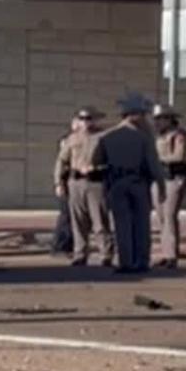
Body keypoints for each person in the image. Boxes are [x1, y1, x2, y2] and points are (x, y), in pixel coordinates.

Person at [93, 92, 167, 274]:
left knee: (122, 226)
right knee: (141, 224)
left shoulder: (106, 137)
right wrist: (161, 186)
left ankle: (125, 261)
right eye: (143, 114)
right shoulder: (144, 138)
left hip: (116, 184)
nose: (145, 118)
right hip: (138, 183)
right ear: (135, 115)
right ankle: (141, 261)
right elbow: (153, 164)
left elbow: (96, 162)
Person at [55, 107, 114, 267]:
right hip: (75, 182)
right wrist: (59, 182)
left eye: (89, 119)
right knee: (78, 221)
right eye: (82, 119)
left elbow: (112, 162)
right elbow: (62, 161)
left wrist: (96, 169)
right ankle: (80, 253)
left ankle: (105, 254)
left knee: (99, 220)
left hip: (96, 183)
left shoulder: (104, 137)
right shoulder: (72, 139)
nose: (86, 122)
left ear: (95, 120)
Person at [151, 104, 186, 269]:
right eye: (156, 119)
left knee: (169, 216)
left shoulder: (178, 135)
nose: (158, 122)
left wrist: (157, 159)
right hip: (158, 179)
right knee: (161, 218)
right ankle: (166, 253)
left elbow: (179, 156)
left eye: (161, 118)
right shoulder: (157, 136)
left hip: (173, 177)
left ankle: (172, 255)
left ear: (170, 119)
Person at [51, 117, 80, 256]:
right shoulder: (68, 140)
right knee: (66, 216)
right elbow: (61, 163)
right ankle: (59, 246)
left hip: (76, 183)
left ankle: (69, 245)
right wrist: (59, 183)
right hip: (67, 181)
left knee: (74, 217)